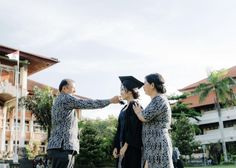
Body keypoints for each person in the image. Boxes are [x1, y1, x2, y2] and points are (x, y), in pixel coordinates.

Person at [47, 79, 120, 168]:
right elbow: (87, 103)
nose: (75, 91)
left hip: (55, 148)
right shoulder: (66, 98)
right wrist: (110, 100)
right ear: (64, 88)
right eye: (73, 88)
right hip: (63, 148)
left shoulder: (57, 101)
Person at [133, 73, 174, 168]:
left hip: (158, 143)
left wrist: (138, 112)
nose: (143, 86)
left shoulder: (159, 100)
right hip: (152, 145)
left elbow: (144, 117)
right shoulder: (155, 100)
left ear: (152, 85)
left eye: (145, 83)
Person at [113, 76, 143, 168]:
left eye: (123, 89)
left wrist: (126, 146)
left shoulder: (135, 105)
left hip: (131, 146)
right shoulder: (124, 108)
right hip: (122, 144)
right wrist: (116, 146)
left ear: (130, 91)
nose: (120, 92)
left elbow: (134, 128)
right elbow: (119, 128)